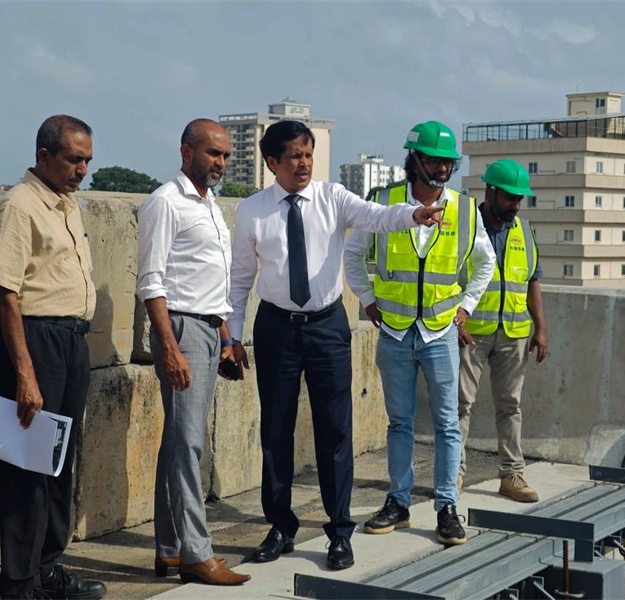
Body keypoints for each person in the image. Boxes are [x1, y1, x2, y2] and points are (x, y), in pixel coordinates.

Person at [228, 120, 444, 570]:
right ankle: (280, 526)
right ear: (272, 162)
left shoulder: (333, 197)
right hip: (275, 327)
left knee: (335, 432)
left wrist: (413, 215)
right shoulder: (253, 211)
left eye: (308, 154)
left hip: (326, 326)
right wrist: (232, 334)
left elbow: (377, 216)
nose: (303, 163)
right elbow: (240, 278)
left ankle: (340, 531)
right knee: (275, 430)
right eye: (294, 156)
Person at [344, 120, 495, 546]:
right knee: (399, 423)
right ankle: (399, 502)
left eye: (448, 161)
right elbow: (353, 254)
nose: (443, 168)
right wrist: (367, 298)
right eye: (434, 160)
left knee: (447, 424)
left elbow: (485, 262)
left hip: (440, 332)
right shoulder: (383, 202)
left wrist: (466, 306)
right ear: (413, 160)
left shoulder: (465, 209)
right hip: (394, 330)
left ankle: (447, 506)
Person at [0, 115, 106, 599]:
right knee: (25, 465)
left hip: (70, 341)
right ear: (44, 156)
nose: (82, 170)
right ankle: (19, 581)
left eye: (87, 161)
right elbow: (5, 293)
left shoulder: (66, 205)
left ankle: (46, 569)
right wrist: (25, 372)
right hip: (35, 340)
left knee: (57, 462)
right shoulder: (19, 205)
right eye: (74, 159)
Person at [136, 119, 249, 586]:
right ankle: (197, 554)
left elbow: (210, 280)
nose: (220, 162)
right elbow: (151, 282)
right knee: (188, 444)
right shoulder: (166, 202)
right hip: (179, 328)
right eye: (212, 153)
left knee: (178, 443)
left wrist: (225, 337)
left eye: (225, 155)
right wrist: (170, 347)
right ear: (186, 152)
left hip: (206, 328)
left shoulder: (211, 204)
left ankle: (170, 549)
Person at [457, 159, 549, 502]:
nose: (516, 205)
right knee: (459, 406)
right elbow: (447, 277)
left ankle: (512, 475)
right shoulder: (465, 226)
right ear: (490, 191)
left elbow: (532, 281)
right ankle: (454, 475)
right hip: (471, 333)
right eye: (510, 197)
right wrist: (456, 320)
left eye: (519, 199)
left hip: (514, 333)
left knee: (510, 406)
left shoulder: (523, 230)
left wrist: (541, 328)